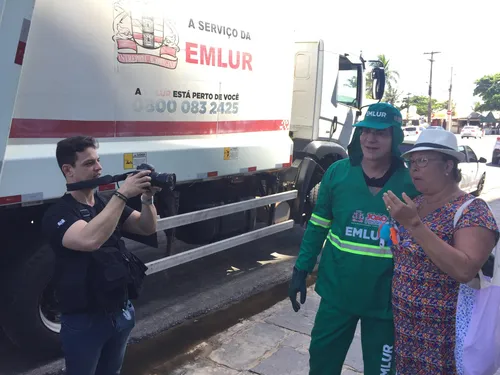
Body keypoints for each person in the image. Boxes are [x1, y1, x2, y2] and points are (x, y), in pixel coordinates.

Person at [288, 102, 419, 375]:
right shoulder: (338, 173)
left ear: (395, 137)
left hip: (386, 300)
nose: (371, 139)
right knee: (322, 363)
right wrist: (301, 267)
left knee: (382, 371)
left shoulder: (410, 182)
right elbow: (318, 225)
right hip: (338, 291)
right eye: (366, 131)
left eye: (381, 133)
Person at [382, 128, 499, 374]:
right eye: (412, 161)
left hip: (446, 336)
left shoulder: (471, 210)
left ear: (448, 165)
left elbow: (464, 270)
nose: (414, 168)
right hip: (407, 331)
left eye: (423, 160)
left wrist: (414, 226)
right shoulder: (417, 203)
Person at [41, 136, 159, 375]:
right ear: (68, 170)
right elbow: (88, 240)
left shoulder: (106, 203)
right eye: (88, 163)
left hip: (121, 312)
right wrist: (122, 194)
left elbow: (147, 227)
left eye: (98, 160)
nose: (99, 168)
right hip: (85, 322)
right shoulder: (57, 214)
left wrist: (147, 199)